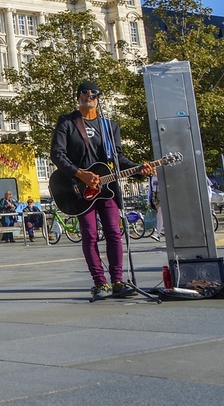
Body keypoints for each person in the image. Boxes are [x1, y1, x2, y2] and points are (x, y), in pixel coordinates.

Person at [50, 81, 154, 301]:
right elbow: (57, 154)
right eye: (84, 93)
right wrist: (80, 174)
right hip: (79, 189)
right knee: (90, 235)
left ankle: (117, 281)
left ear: (98, 99)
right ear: (78, 97)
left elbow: (118, 158)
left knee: (114, 233)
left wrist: (139, 169)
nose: (89, 96)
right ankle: (100, 283)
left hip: (107, 188)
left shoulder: (109, 126)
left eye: (93, 94)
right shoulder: (67, 122)